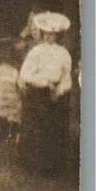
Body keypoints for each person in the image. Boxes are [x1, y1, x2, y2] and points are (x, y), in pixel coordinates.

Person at [16, 12, 73, 175]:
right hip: (37, 92)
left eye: (53, 34)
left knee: (53, 128)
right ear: (42, 33)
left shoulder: (63, 53)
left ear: (58, 35)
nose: (49, 37)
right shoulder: (36, 51)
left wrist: (60, 90)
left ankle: (51, 166)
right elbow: (25, 74)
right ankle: (31, 164)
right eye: (47, 33)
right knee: (36, 127)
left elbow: (66, 77)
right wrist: (43, 83)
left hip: (56, 94)